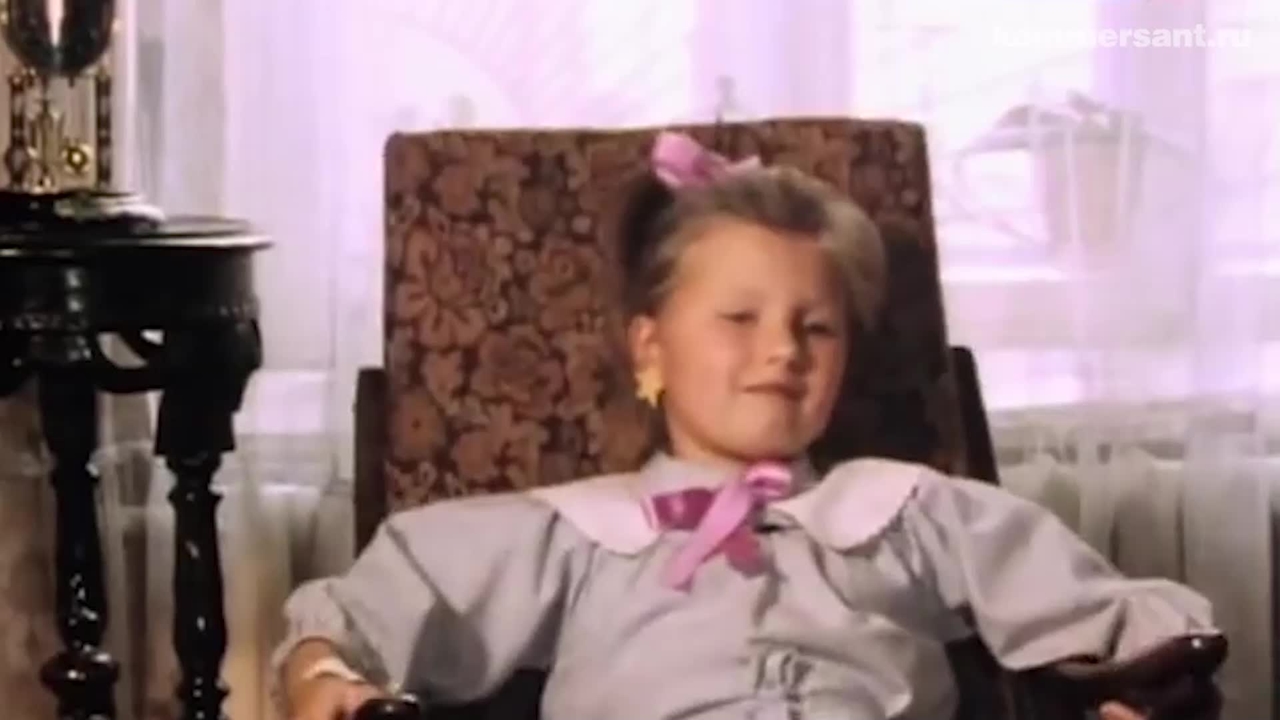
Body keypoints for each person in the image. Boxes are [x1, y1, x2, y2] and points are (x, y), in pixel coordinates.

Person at [273, 131, 1217, 720]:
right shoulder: (579, 532)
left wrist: (1146, 679)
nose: (783, 352)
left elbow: (1115, 610)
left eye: (817, 328)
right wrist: (324, 675)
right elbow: (367, 613)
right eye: (738, 319)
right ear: (649, 347)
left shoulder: (904, 513)